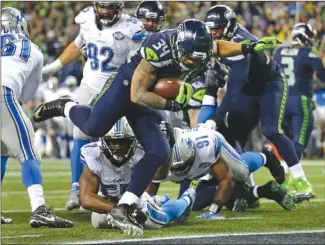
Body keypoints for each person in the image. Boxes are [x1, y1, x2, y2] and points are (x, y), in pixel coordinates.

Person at [33, 18, 280, 235]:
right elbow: (138, 95)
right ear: (178, 47)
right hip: (127, 87)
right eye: (188, 57)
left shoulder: (199, 43)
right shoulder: (157, 50)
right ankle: (65, 106)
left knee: (159, 152)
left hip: (149, 94)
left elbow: (218, 47)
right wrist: (172, 104)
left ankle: (124, 206)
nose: (191, 63)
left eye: (196, 59)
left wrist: (248, 46)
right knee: (92, 127)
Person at [198, 5, 314, 203]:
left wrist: (217, 117)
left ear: (229, 25)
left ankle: (301, 179)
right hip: (247, 90)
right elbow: (223, 71)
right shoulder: (215, 41)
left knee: (271, 129)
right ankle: (247, 187)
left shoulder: (241, 43)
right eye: (212, 28)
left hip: (269, 85)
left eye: (217, 28)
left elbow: (234, 89)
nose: (214, 32)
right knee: (234, 135)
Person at [40, 1, 147, 210]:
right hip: (89, 84)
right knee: (79, 134)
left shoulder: (132, 28)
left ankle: (122, 192)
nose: (106, 11)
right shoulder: (87, 18)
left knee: (120, 140)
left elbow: (136, 66)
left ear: (120, 7)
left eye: (110, 7)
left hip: (116, 89)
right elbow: (77, 45)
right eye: (102, 7)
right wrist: (53, 67)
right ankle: (75, 188)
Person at [0, 7, 73, 228]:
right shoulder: (33, 50)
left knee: (2, 152)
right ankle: (39, 209)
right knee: (28, 152)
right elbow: (27, 95)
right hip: (3, 94)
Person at [146, 126, 295, 220]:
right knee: (190, 208)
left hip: (212, 141)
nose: (183, 170)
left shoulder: (207, 149)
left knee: (241, 172)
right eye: (179, 168)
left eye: (185, 165)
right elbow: (148, 194)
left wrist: (213, 211)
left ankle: (266, 156)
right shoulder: (160, 163)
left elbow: (226, 179)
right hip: (185, 156)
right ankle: (247, 192)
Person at [79, 117, 195, 235]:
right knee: (98, 222)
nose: (117, 147)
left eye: (122, 141)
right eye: (112, 141)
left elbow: (159, 175)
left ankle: (186, 199)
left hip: (136, 201)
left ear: (133, 140)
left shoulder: (142, 149)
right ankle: (156, 200)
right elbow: (86, 198)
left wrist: (168, 146)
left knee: (159, 221)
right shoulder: (93, 153)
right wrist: (120, 210)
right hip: (108, 204)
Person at [273, 23, 325, 162]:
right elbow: (322, 75)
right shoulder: (308, 52)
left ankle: (284, 166)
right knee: (300, 139)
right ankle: (288, 170)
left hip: (281, 102)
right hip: (299, 101)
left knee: (288, 139)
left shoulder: (279, 51)